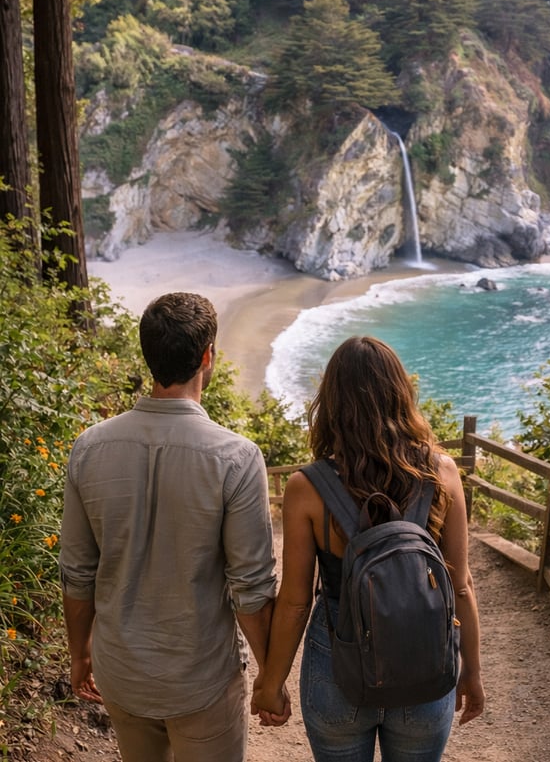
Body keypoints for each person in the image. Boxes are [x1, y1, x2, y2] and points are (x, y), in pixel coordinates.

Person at [59, 292, 279, 762]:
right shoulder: (236, 459)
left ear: (148, 355)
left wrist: (80, 654)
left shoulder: (89, 448)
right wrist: (269, 676)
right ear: (207, 357)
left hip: (121, 671)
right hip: (201, 677)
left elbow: (77, 572)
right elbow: (251, 588)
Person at [252, 335, 485, 761]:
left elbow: (294, 603)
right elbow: (462, 586)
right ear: (401, 394)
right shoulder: (442, 473)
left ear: (332, 402)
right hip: (425, 663)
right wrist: (471, 670)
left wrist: (272, 681)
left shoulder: (307, 488)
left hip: (337, 667)